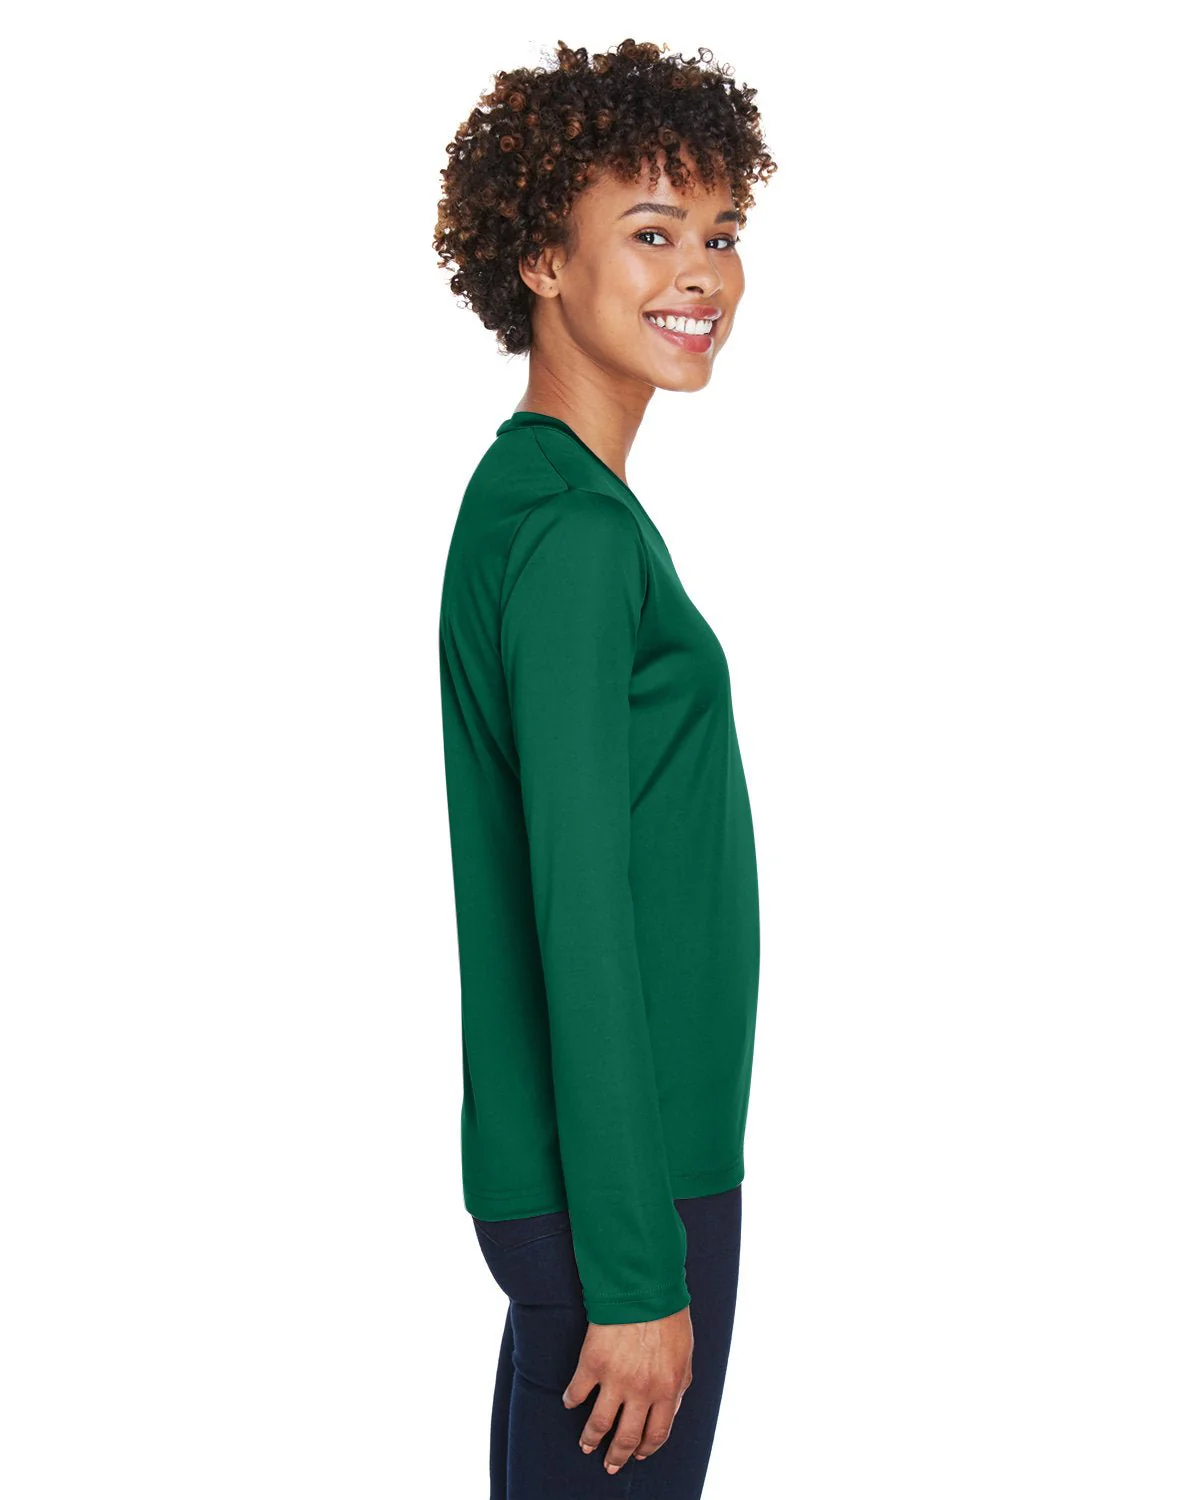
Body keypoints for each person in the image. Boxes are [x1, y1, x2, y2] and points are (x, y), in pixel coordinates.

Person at [434, 38, 777, 1499]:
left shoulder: (543, 496)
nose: (701, 273)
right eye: (650, 233)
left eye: (720, 232)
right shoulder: (572, 535)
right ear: (541, 262)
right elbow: (577, 910)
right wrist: (636, 1272)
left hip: (603, 1178)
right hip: (626, 1195)